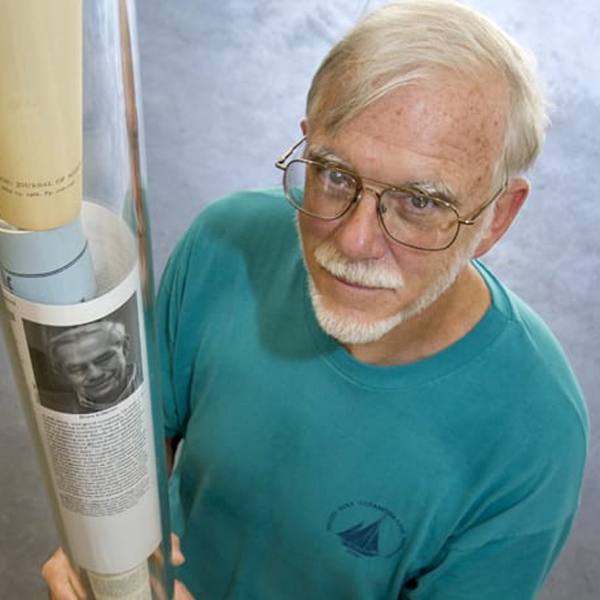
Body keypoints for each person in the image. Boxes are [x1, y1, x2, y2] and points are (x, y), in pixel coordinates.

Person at [44, 0, 588, 598]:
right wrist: (100, 553)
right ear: (308, 146)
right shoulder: (222, 247)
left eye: (421, 202)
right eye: (334, 175)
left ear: (497, 217)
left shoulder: (535, 430)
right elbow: (147, 444)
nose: (353, 240)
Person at [43, 320, 140, 413]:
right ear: (60, 371)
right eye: (77, 368)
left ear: (125, 347)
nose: (95, 374)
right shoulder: (54, 408)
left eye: (104, 359)